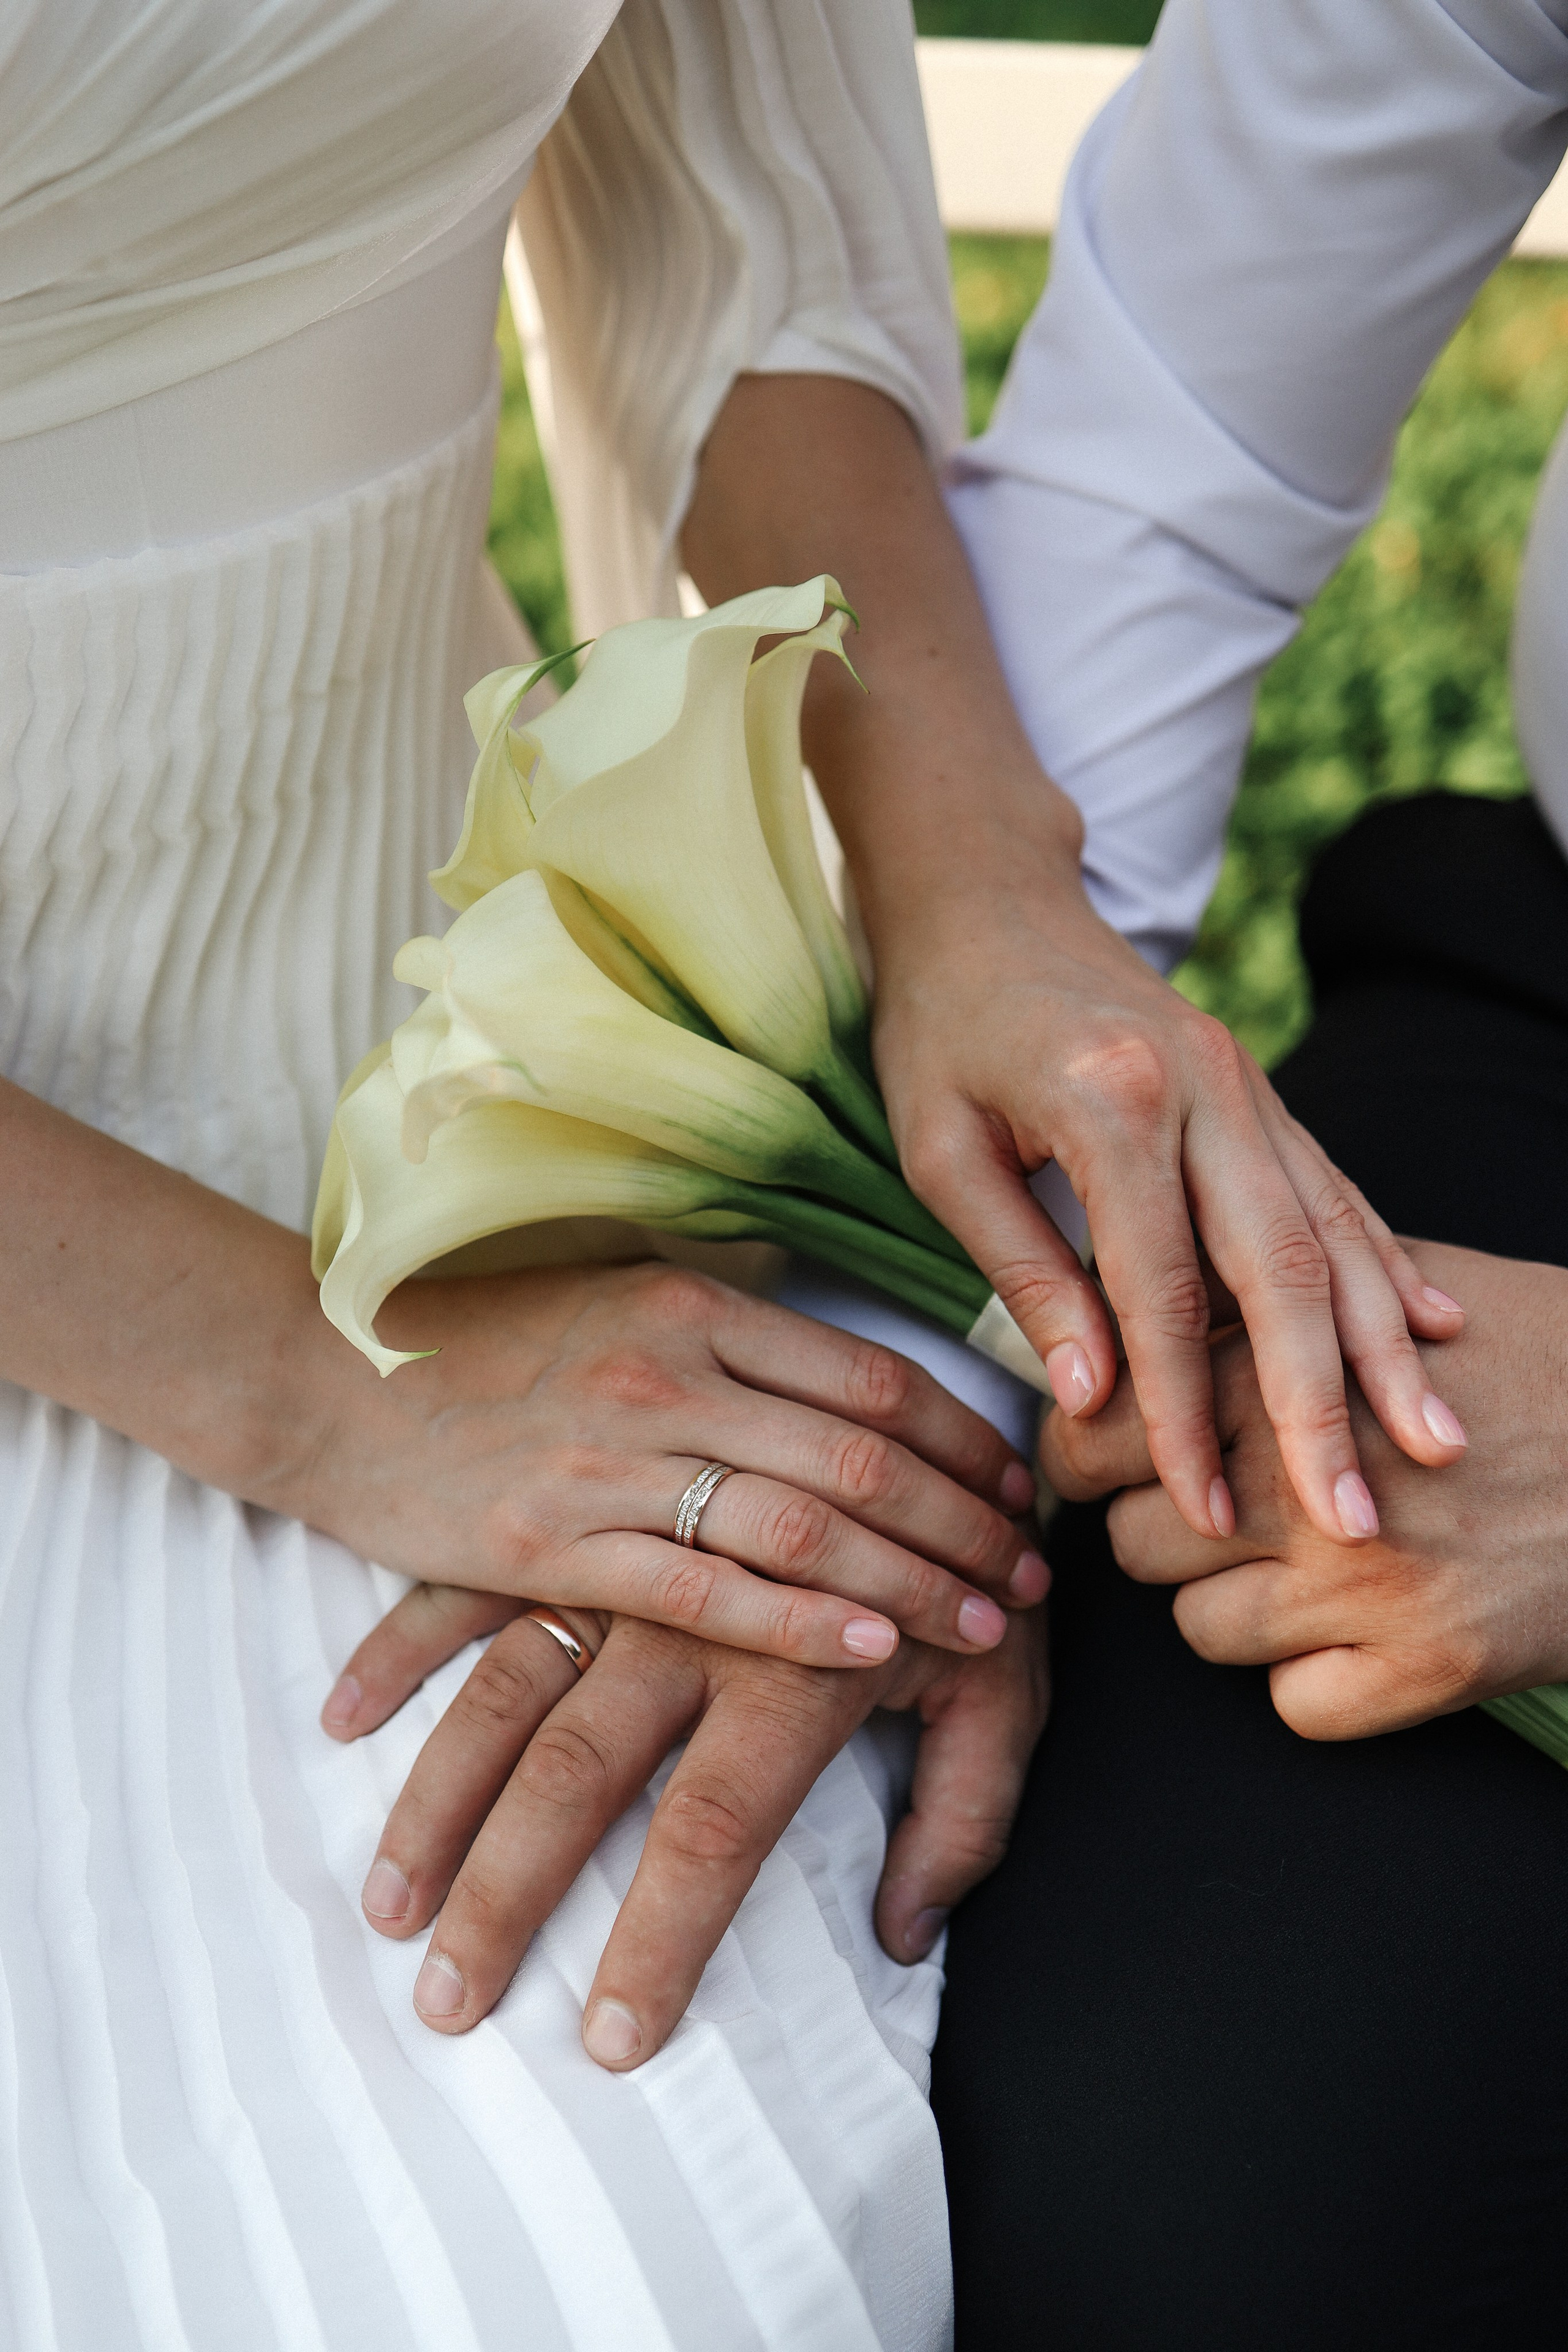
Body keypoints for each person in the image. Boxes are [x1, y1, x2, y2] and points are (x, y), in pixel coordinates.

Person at [0, 6, 1483, 2350]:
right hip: (252, 1321)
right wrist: (324, 1388)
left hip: (429, 1086)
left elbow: (752, 271)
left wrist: (980, 906)